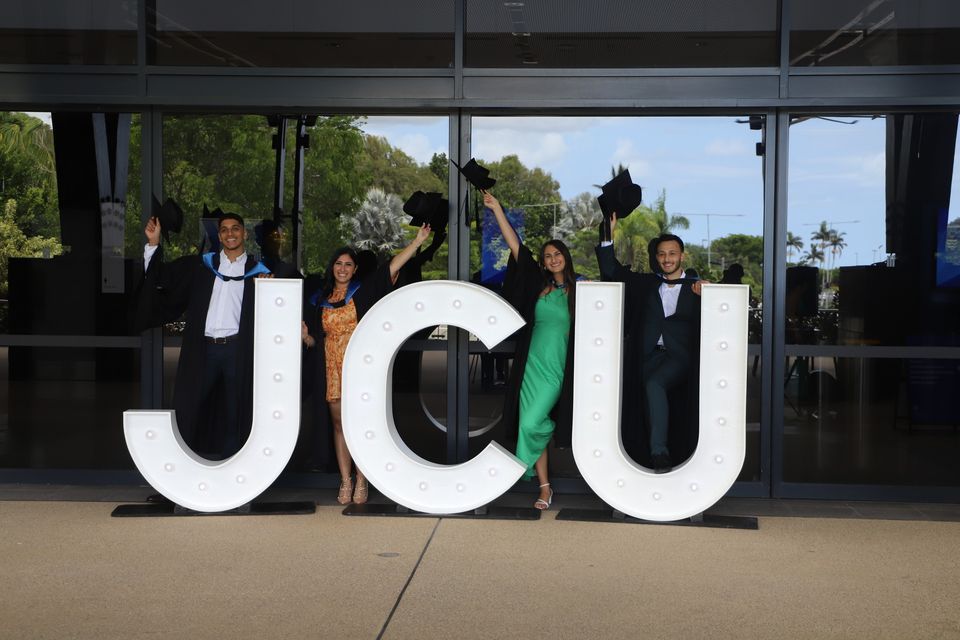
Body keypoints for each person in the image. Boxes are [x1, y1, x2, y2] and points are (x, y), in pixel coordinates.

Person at [303, 224, 433, 505]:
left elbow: (390, 268)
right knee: (339, 425)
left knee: (359, 424)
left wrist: (417, 241)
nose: (342, 268)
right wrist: (306, 338)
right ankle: (345, 480)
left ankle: (363, 479)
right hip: (331, 368)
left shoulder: (362, 292)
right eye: (338, 263)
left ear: (354, 269)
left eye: (348, 264)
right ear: (332, 267)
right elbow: (315, 342)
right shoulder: (319, 300)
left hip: (358, 366)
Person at [137, 211, 272, 460]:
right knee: (189, 406)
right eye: (224, 230)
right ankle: (180, 464)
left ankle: (235, 468)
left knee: (237, 410)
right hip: (203, 348)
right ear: (219, 236)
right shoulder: (202, 266)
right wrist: (154, 243)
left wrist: (270, 289)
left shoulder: (260, 273)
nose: (230, 234)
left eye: (235, 229)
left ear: (244, 233)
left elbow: (275, 310)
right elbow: (163, 279)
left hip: (237, 350)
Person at [484, 191, 581, 510]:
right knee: (530, 424)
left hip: (557, 370)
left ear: (565, 257)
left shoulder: (580, 290)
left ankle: (515, 470)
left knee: (532, 425)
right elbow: (516, 247)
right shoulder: (539, 285)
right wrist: (498, 209)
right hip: (531, 366)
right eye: (548, 256)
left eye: (557, 254)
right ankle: (544, 488)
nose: (553, 259)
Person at [596, 213, 703, 472]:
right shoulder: (647, 284)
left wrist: (710, 293)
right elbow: (612, 270)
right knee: (632, 397)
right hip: (645, 355)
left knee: (654, 385)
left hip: (679, 357)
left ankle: (660, 454)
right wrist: (607, 236)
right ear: (657, 257)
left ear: (682, 256)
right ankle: (630, 458)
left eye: (672, 254)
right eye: (662, 254)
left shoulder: (697, 287)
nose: (667, 259)